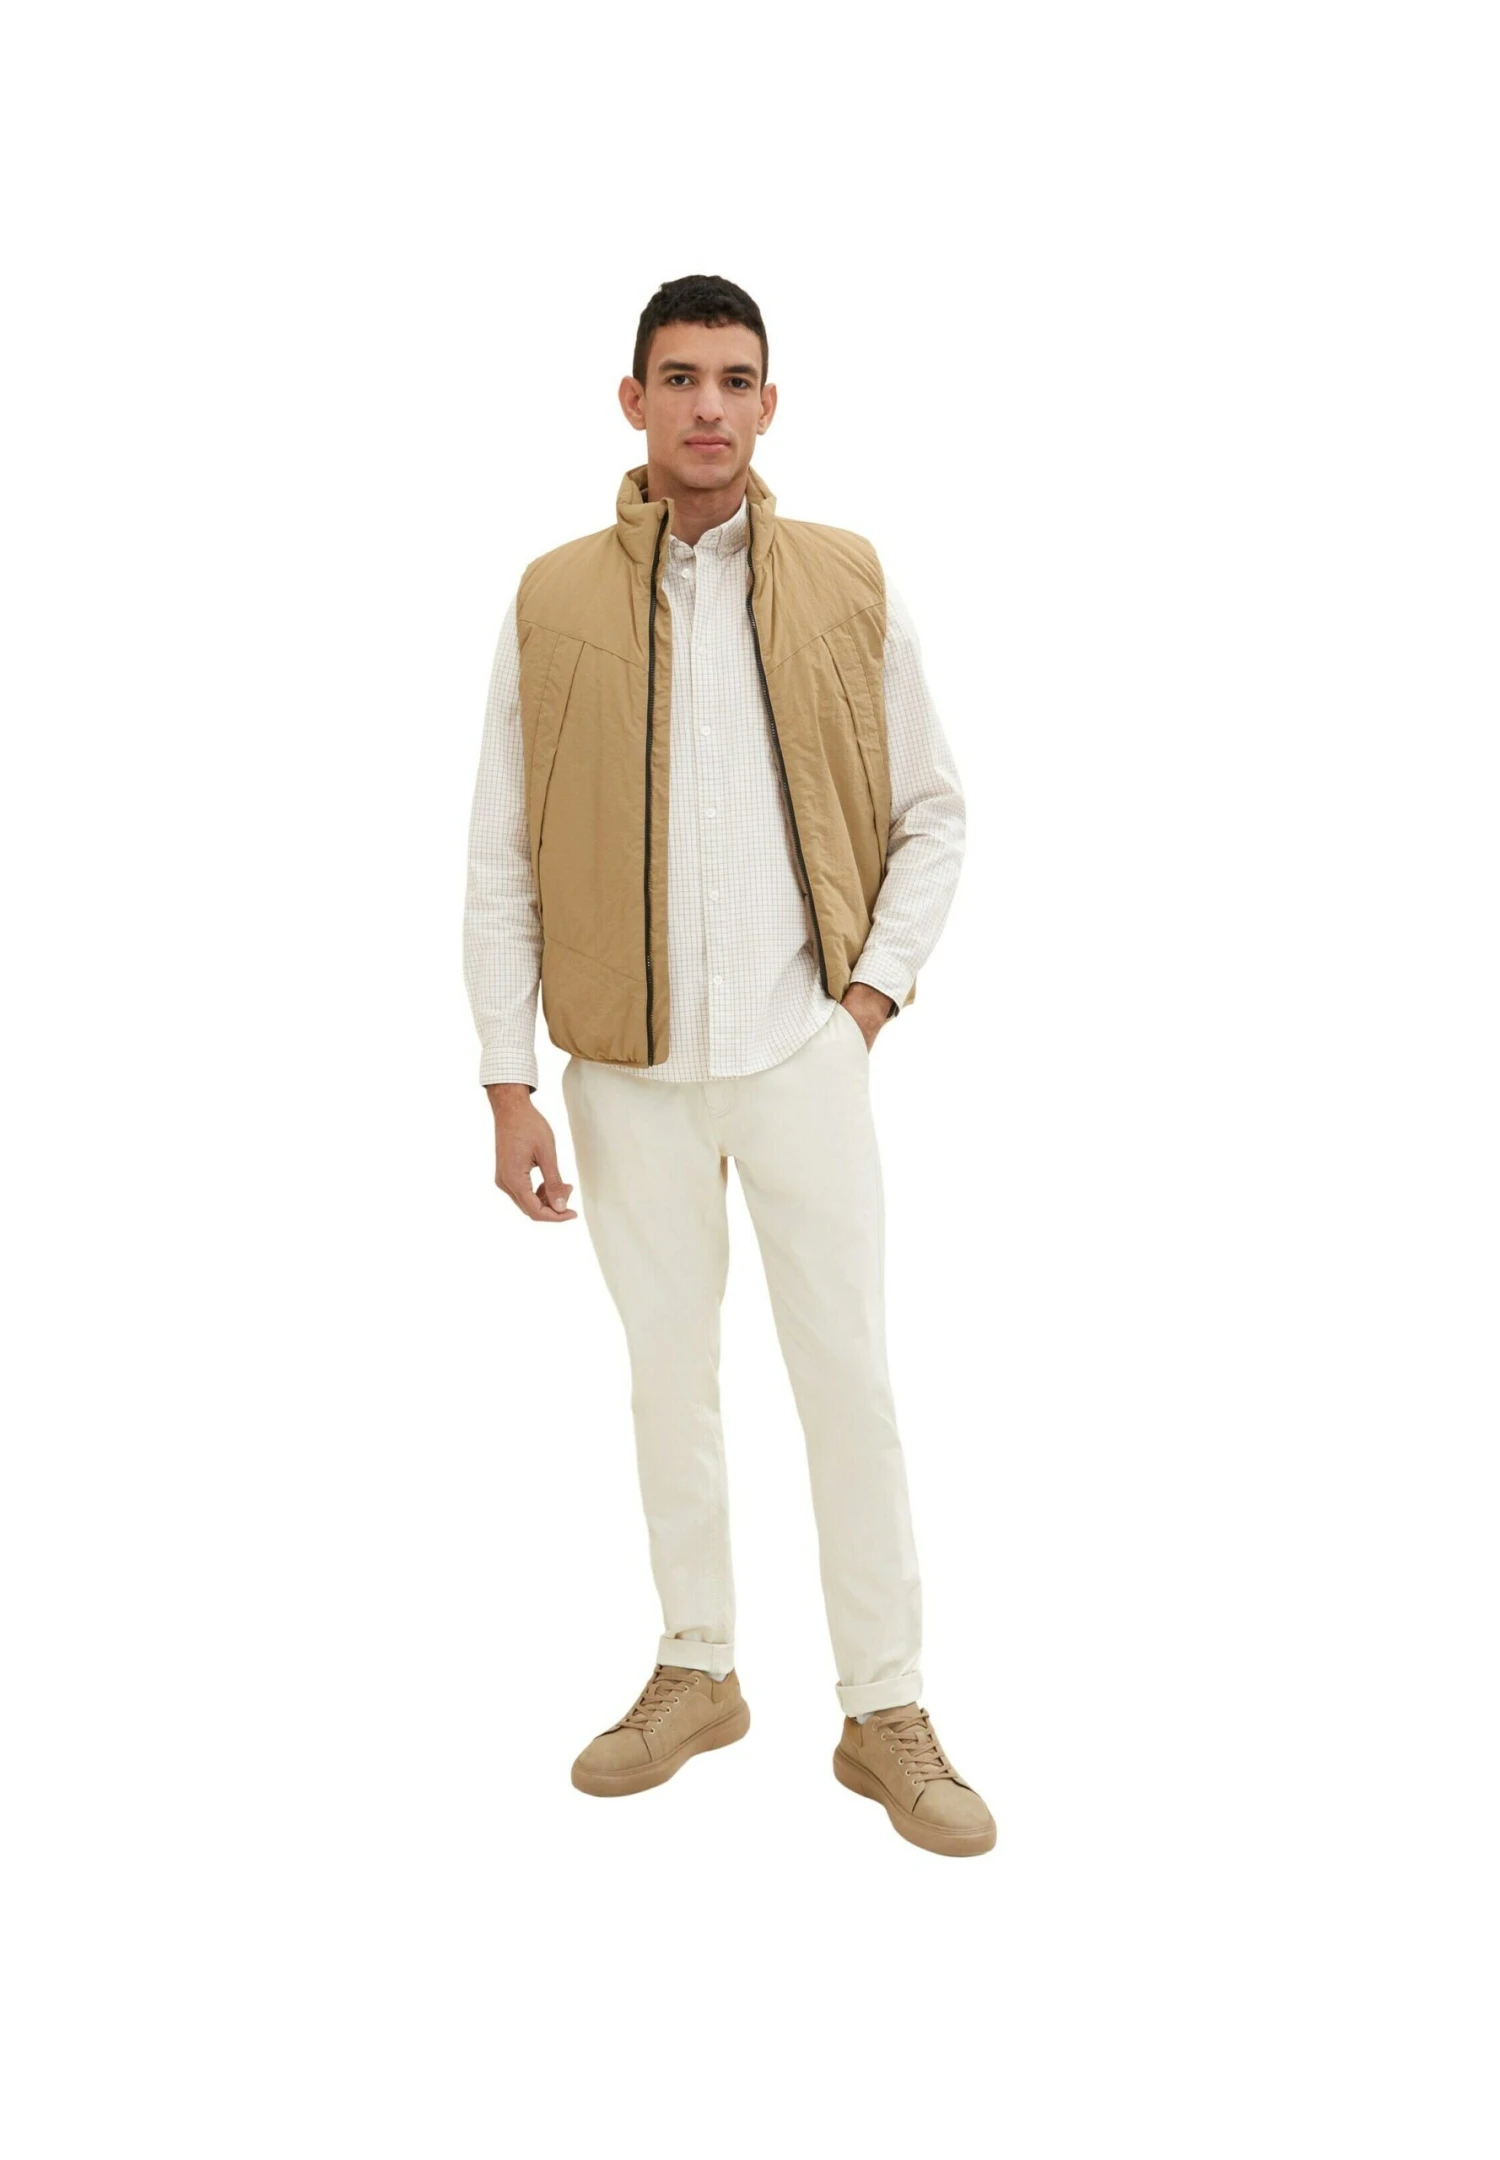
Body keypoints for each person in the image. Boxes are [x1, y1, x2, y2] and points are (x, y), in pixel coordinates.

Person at [462, 273, 993, 1857]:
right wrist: (506, 1078)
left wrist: (868, 1003)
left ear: (770, 403)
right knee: (667, 1379)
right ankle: (697, 1671)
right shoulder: (552, 598)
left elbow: (934, 812)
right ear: (632, 401)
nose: (709, 404)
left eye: (736, 378)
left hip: (799, 1050)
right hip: (622, 1072)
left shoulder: (846, 580)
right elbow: (501, 850)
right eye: (680, 377)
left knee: (848, 1381)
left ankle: (885, 1710)